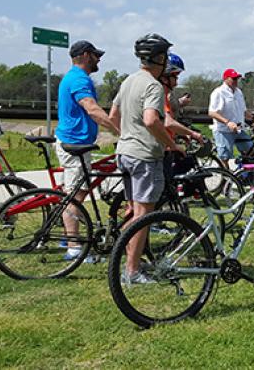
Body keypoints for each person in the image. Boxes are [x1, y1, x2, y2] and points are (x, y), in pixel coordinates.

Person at [110, 33, 185, 284]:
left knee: (133, 212)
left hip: (124, 153)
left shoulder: (128, 81)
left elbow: (113, 116)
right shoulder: (153, 85)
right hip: (144, 156)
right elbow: (152, 120)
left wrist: (127, 136)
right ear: (161, 58)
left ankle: (128, 260)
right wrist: (171, 145)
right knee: (143, 216)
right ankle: (132, 271)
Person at [55, 40, 120, 261]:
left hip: (78, 142)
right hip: (74, 144)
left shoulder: (76, 77)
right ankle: (73, 247)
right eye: (95, 55)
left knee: (74, 193)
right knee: (74, 196)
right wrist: (120, 130)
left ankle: (69, 234)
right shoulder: (78, 79)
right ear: (84, 55)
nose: (99, 59)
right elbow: (91, 108)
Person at [159, 52, 204, 179]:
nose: (176, 83)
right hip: (160, 148)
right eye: (175, 77)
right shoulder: (160, 94)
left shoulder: (166, 92)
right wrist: (192, 133)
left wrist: (183, 134)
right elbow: (168, 122)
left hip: (166, 144)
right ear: (165, 77)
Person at [208, 68, 254, 166]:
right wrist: (227, 122)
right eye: (233, 79)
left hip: (238, 129)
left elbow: (243, 111)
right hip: (223, 130)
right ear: (225, 79)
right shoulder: (219, 92)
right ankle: (226, 176)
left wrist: (253, 119)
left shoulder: (239, 92)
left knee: (250, 149)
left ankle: (243, 174)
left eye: (237, 79)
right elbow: (212, 113)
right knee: (225, 156)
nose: (236, 81)